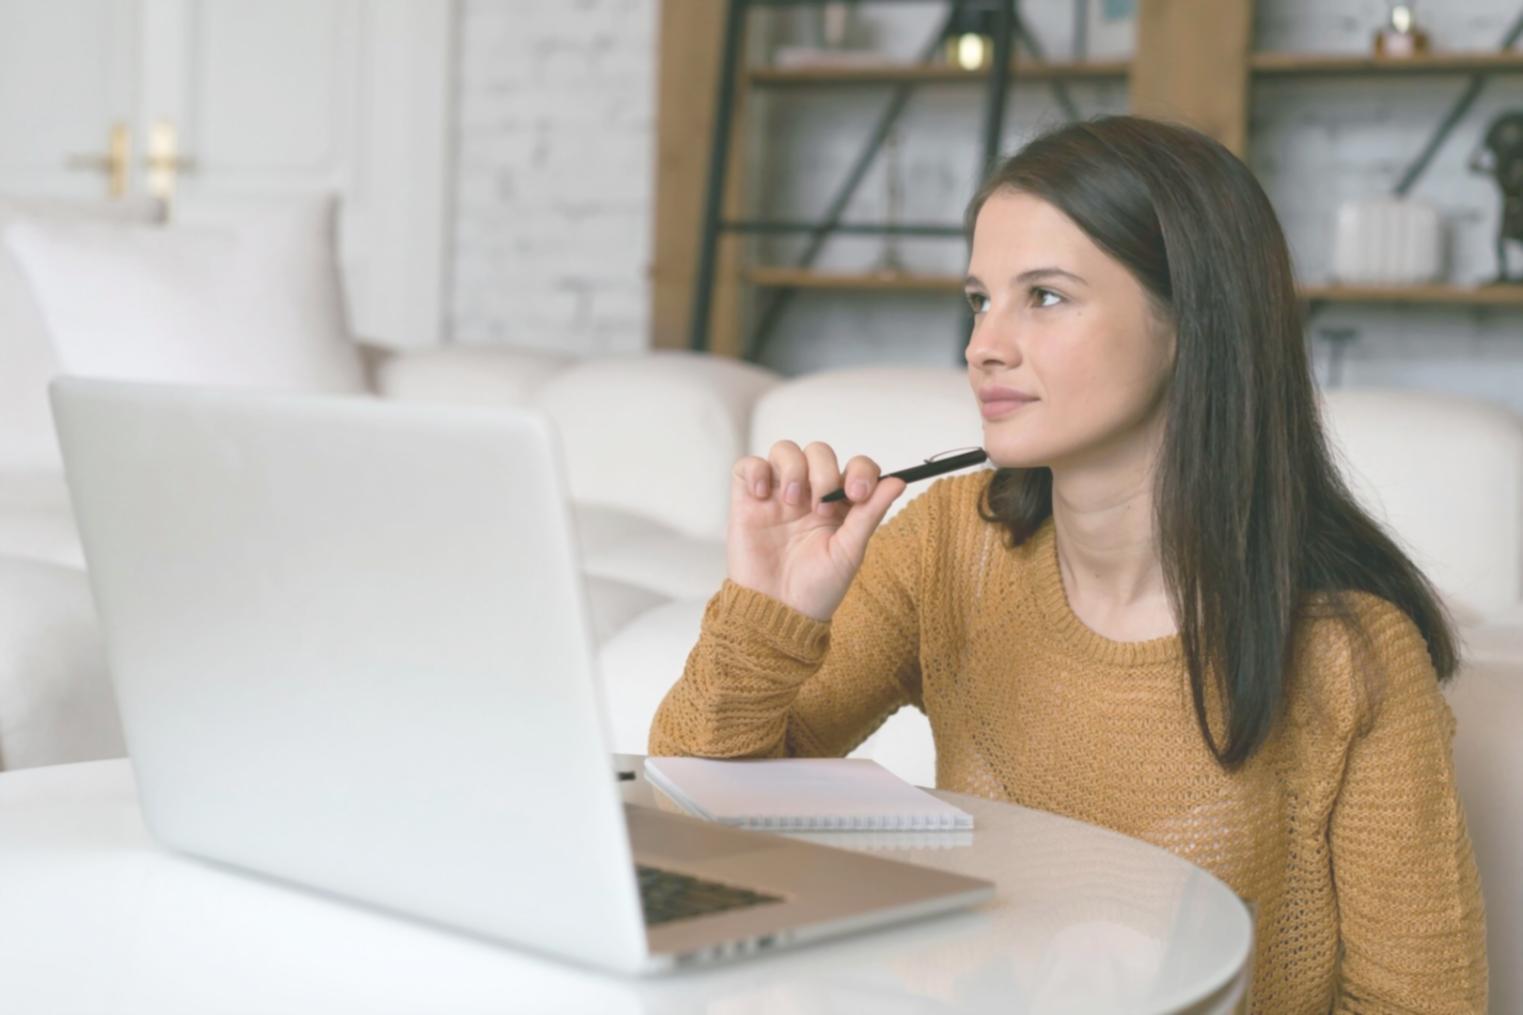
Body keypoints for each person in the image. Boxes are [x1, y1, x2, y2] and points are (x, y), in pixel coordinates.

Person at [648, 115, 1486, 1011]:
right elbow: (694, 810)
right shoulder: (949, 548)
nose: (983, 346)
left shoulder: (1348, 657)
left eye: (1043, 296)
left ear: (1191, 320)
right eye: (979, 298)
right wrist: (770, 615)